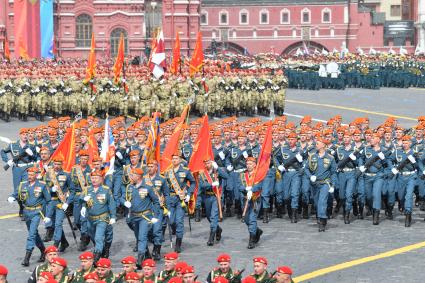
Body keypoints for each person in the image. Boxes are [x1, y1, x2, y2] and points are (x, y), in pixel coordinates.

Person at [8, 166, 50, 266]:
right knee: (34, 233)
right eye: (28, 175)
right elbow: (16, 193)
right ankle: (43, 250)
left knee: (31, 235)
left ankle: (27, 257)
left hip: (37, 212)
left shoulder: (42, 185)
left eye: (32, 175)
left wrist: (47, 215)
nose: (30, 176)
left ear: (36, 175)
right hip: (26, 212)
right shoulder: (23, 184)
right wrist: (11, 197)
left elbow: (48, 201)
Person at [122, 167, 160, 265]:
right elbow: (121, 197)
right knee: (138, 236)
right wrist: (124, 202)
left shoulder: (148, 187)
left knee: (142, 237)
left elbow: (156, 201)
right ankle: (147, 254)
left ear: (138, 176)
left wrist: (155, 215)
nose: (130, 177)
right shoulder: (129, 187)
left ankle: (140, 258)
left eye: (132, 175)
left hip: (144, 217)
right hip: (134, 217)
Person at [81, 170, 117, 262]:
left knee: (99, 237)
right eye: (92, 178)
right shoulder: (87, 189)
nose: (94, 180)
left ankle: (96, 257)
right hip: (90, 219)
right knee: (93, 236)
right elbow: (81, 199)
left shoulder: (106, 189)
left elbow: (111, 204)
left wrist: (113, 216)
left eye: (96, 178)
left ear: (101, 179)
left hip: (102, 218)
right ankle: (101, 248)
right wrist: (83, 206)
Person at [1, 128, 37, 219]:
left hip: (28, 168)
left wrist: (32, 154)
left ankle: (25, 210)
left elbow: (36, 158)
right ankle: (21, 207)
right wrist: (7, 160)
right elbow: (2, 151)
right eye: (23, 134)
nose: (25, 135)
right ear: (20, 135)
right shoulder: (13, 145)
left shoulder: (31, 145)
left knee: (24, 188)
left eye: (26, 134)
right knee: (17, 188)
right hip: (16, 169)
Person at [304, 137, 338, 232]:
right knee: (316, 203)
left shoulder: (330, 158)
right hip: (315, 184)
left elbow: (333, 172)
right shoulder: (312, 156)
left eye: (318, 143)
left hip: (325, 183)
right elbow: (306, 168)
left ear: (323, 145)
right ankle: (321, 217)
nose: (316, 145)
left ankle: (322, 221)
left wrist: (332, 185)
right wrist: (310, 176)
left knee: (322, 202)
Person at [164, 153, 196, 253]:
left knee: (179, 221)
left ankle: (178, 243)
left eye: (176, 158)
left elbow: (193, 182)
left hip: (180, 199)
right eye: (173, 158)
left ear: (180, 160)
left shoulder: (186, 171)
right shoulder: (167, 172)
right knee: (172, 221)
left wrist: (189, 194)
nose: (174, 160)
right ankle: (175, 230)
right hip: (170, 198)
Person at [44, 156, 74, 252]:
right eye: (55, 164)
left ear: (62, 165)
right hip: (50, 202)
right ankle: (64, 242)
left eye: (59, 164)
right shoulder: (48, 174)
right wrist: (50, 189)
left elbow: (72, 190)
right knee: (51, 223)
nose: (56, 166)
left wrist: (68, 202)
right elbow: (43, 188)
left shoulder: (66, 175)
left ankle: (56, 244)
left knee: (58, 224)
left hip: (61, 202)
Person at [234, 157, 263, 249]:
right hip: (245, 199)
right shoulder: (242, 175)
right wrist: (245, 189)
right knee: (246, 219)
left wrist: (252, 190)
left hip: (255, 200)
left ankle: (251, 240)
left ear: (255, 165)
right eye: (247, 164)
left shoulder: (258, 175)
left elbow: (260, 185)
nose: (248, 165)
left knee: (252, 219)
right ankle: (257, 231)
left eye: (250, 164)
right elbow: (239, 185)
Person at [198, 158, 228, 246]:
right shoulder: (202, 173)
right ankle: (218, 229)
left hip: (216, 196)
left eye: (208, 162)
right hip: (207, 196)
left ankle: (211, 237)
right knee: (208, 216)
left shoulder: (217, 171)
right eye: (205, 163)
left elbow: (226, 176)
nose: (207, 164)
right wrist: (211, 184)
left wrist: (218, 168)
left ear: (212, 162)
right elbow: (202, 185)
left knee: (214, 216)